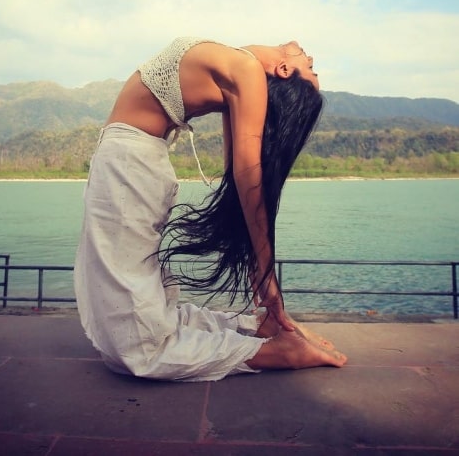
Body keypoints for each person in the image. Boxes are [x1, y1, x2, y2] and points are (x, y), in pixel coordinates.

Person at [74, 37, 346, 382]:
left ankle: (277, 353)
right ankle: (258, 327)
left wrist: (267, 278)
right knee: (145, 311)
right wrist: (261, 274)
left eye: (311, 68)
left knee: (137, 349)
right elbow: (240, 177)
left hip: (129, 168)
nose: (311, 56)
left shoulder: (244, 69)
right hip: (136, 167)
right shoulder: (237, 66)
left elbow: (247, 177)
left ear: (284, 69)